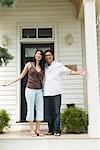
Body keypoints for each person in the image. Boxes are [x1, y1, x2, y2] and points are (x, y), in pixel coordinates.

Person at [43, 49, 86, 136]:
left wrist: (78, 72)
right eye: (46, 55)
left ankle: (57, 130)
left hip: (56, 93)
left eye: (49, 55)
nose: (48, 57)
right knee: (48, 114)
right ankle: (51, 130)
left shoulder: (58, 65)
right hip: (46, 93)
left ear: (53, 56)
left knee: (56, 113)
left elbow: (68, 71)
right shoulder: (44, 66)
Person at [2, 50, 45, 136]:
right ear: (35, 55)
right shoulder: (29, 64)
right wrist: (9, 83)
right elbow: (21, 76)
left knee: (40, 109)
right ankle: (32, 130)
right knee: (30, 109)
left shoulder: (42, 67)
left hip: (39, 90)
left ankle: (38, 130)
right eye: (37, 53)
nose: (39, 55)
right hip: (30, 90)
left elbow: (43, 80)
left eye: (40, 54)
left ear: (41, 57)